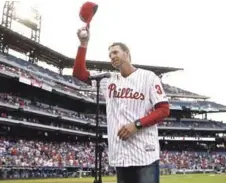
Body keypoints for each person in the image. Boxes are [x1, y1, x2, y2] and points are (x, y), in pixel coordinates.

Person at [72, 27, 170, 183]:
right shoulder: (108, 80)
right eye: (110, 55)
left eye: (115, 52)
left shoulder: (148, 77)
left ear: (127, 53)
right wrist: (83, 43)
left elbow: (164, 110)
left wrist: (136, 125)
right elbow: (79, 74)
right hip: (121, 155)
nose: (112, 56)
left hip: (145, 154)